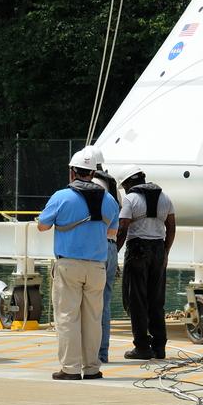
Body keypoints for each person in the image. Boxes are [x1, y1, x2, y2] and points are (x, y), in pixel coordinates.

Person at [37, 146, 118, 380]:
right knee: (93, 318)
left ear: (73, 172)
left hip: (68, 265)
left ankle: (70, 368)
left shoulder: (61, 196)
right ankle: (92, 367)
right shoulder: (109, 199)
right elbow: (112, 231)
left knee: (67, 317)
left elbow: (43, 225)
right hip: (97, 266)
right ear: (93, 173)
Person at [115, 165, 175, 359]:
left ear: (129, 182)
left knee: (137, 300)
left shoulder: (130, 199)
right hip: (158, 249)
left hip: (138, 250)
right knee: (156, 300)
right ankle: (159, 347)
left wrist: (114, 251)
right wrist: (165, 251)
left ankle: (141, 347)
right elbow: (171, 227)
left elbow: (123, 228)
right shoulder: (165, 198)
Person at [87, 154, 120, 365]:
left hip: (96, 248)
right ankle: (103, 351)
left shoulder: (93, 186)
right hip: (111, 247)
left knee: (90, 305)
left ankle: (92, 352)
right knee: (105, 304)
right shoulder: (113, 189)